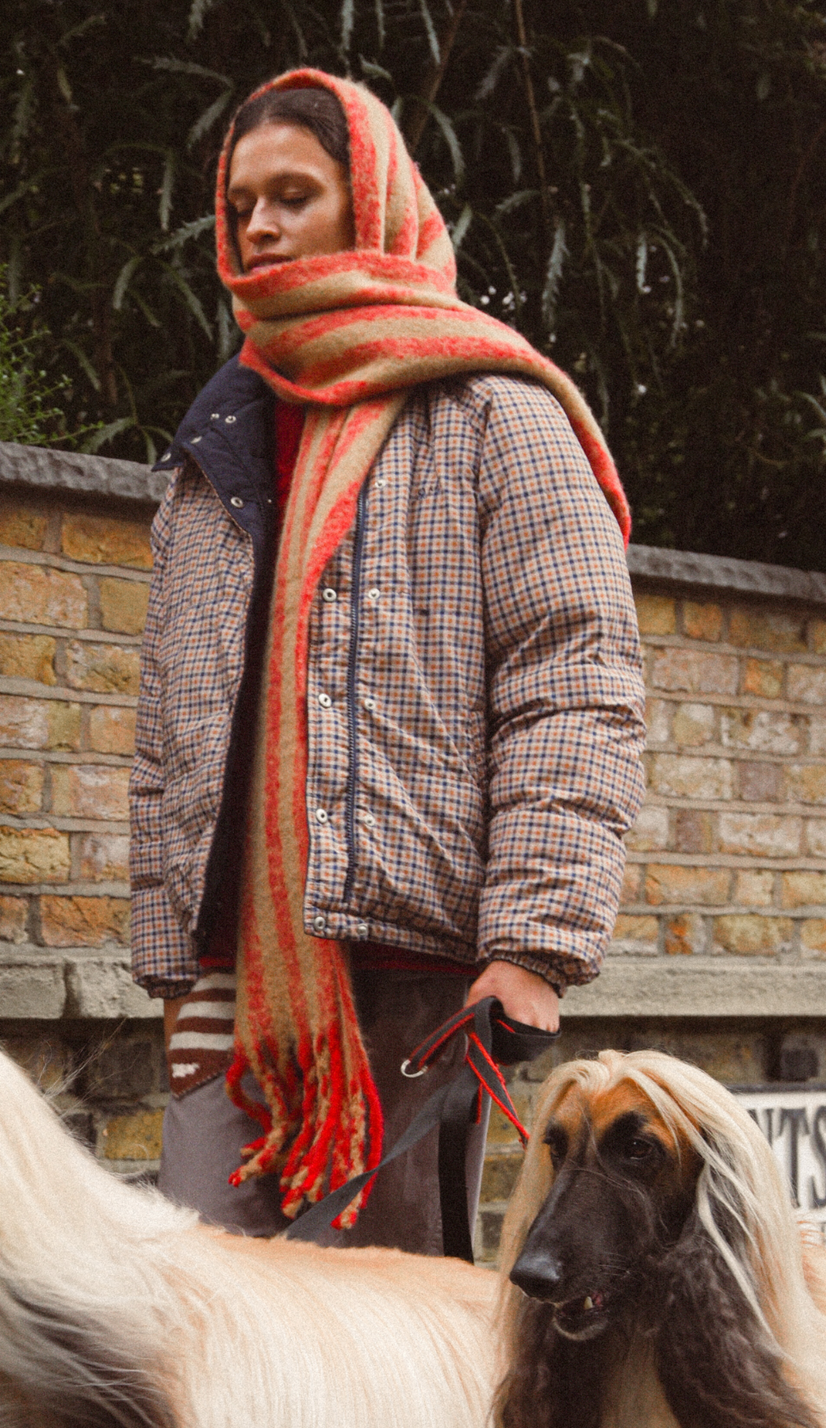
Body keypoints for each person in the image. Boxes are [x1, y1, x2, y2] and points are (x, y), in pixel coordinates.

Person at [130, 70, 645, 1254]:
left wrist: (532, 946)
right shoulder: (216, 441)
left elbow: (573, 685)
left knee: (393, 1326)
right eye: (241, 205)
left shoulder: (497, 411)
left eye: (293, 195)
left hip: (421, 977)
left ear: (370, 200)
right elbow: (169, 724)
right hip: (233, 980)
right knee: (201, 1314)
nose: (259, 227)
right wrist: (173, 966)